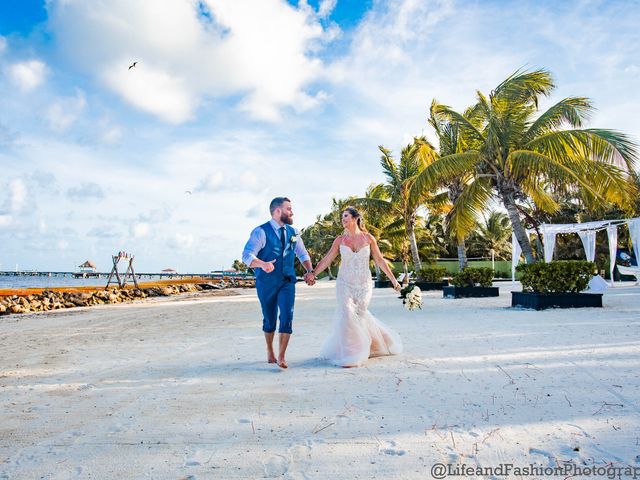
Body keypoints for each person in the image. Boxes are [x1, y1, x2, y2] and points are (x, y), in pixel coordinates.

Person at [308, 206, 403, 367]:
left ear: (355, 218)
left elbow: (379, 260)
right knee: (346, 313)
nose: (342, 219)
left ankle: (374, 344)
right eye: (342, 217)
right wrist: (313, 273)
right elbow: (327, 259)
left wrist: (394, 280)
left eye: (345, 216)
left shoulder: (368, 238)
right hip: (344, 283)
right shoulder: (339, 240)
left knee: (360, 314)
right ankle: (352, 353)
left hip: (363, 285)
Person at [242, 197, 315, 369]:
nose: (292, 212)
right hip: (266, 282)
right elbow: (246, 255)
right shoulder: (260, 232)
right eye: (289, 208)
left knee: (287, 316)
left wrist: (309, 271)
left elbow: (302, 254)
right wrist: (262, 264)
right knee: (269, 318)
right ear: (277, 211)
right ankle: (270, 350)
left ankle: (282, 356)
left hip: (287, 281)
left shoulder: (294, 232)